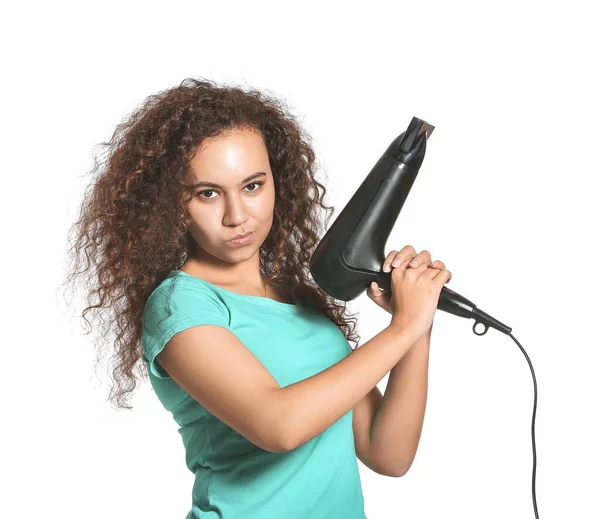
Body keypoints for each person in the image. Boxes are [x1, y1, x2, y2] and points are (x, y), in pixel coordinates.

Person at [63, 77, 451, 519]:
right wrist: (402, 330)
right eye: (207, 193)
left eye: (252, 186)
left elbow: (389, 454)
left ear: (276, 183)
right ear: (171, 203)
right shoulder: (181, 306)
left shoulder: (294, 296)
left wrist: (416, 322)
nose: (236, 216)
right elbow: (279, 426)